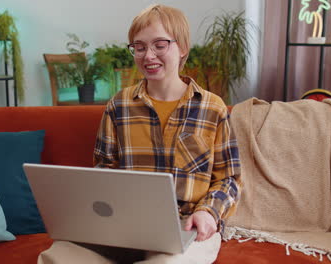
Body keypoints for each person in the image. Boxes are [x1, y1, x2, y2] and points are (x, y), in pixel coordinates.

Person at [38, 4, 241, 264]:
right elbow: (104, 170)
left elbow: (229, 179)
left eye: (160, 45)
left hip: (187, 226)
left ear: (183, 49)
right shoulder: (118, 105)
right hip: (126, 226)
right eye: (139, 47)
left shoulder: (212, 108)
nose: (148, 55)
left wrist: (209, 213)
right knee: (58, 255)